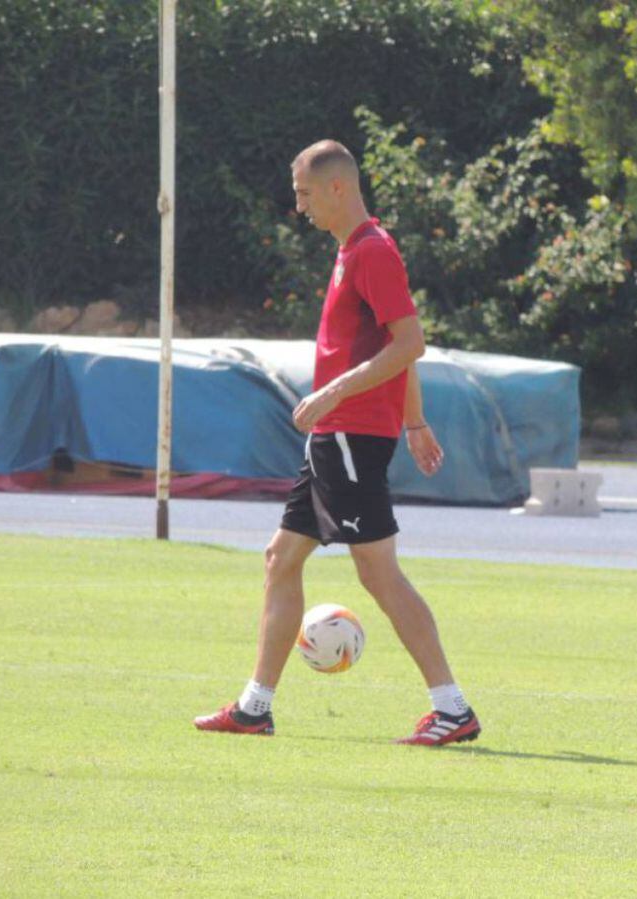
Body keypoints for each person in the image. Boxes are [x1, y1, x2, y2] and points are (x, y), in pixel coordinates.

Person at [193, 139, 479, 746]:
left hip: (349, 435)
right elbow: (394, 347)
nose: (299, 207)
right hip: (336, 436)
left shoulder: (373, 251)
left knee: (379, 575)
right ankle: (254, 706)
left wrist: (332, 396)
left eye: (303, 193)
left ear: (336, 188)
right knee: (281, 558)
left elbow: (409, 344)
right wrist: (416, 421)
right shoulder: (354, 251)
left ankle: (452, 708)